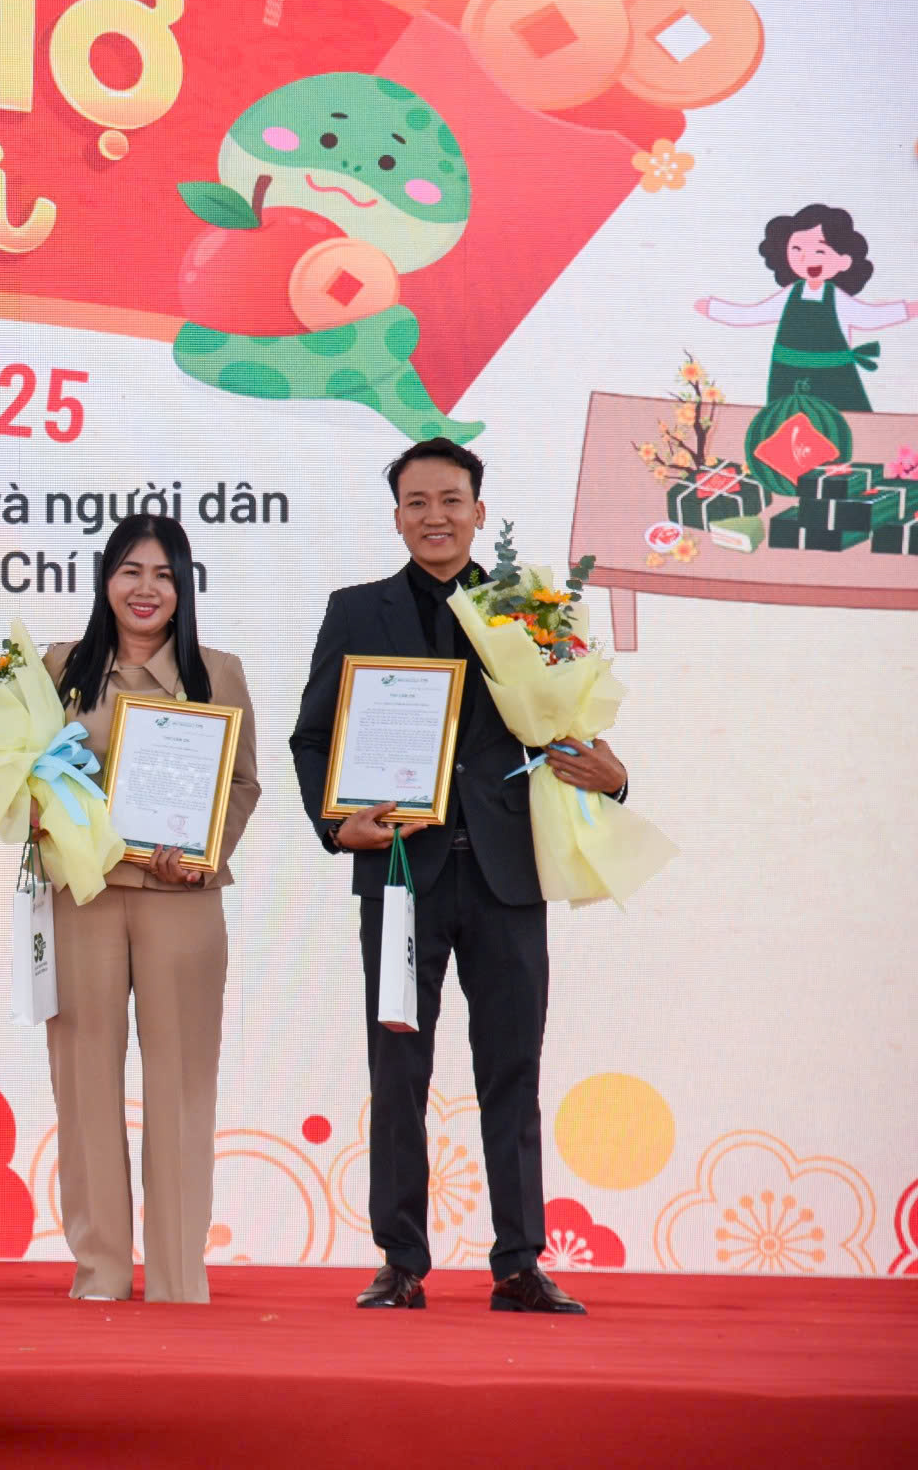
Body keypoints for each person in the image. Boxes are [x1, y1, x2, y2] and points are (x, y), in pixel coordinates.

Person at [289, 438, 629, 1315]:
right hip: (400, 871)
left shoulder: (532, 610)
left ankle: (519, 1261)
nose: (434, 516)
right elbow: (313, 737)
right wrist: (336, 823)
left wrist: (615, 777)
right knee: (398, 1066)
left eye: (450, 500)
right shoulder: (356, 611)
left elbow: (570, 726)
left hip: (509, 873)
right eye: (416, 502)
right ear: (396, 516)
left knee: (513, 1067)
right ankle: (400, 1259)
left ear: (480, 512)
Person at [38, 515, 259, 1305]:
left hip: (181, 901)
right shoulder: (58, 667)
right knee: (84, 1081)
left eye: (164, 574)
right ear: (106, 579)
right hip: (85, 896)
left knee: (181, 1084)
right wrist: (39, 816)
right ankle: (99, 1268)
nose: (146, 588)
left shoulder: (218, 672)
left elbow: (242, 783)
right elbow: (23, 772)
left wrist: (204, 850)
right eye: (130, 570)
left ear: (184, 586)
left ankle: (176, 1275)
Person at [696, 204, 908, 413]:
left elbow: (869, 316)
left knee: (838, 422)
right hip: (788, 375)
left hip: (833, 376)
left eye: (820, 251)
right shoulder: (790, 294)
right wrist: (714, 308)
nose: (806, 258)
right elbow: (752, 314)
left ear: (844, 261)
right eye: (797, 249)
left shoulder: (837, 298)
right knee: (787, 421)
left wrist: (906, 310)